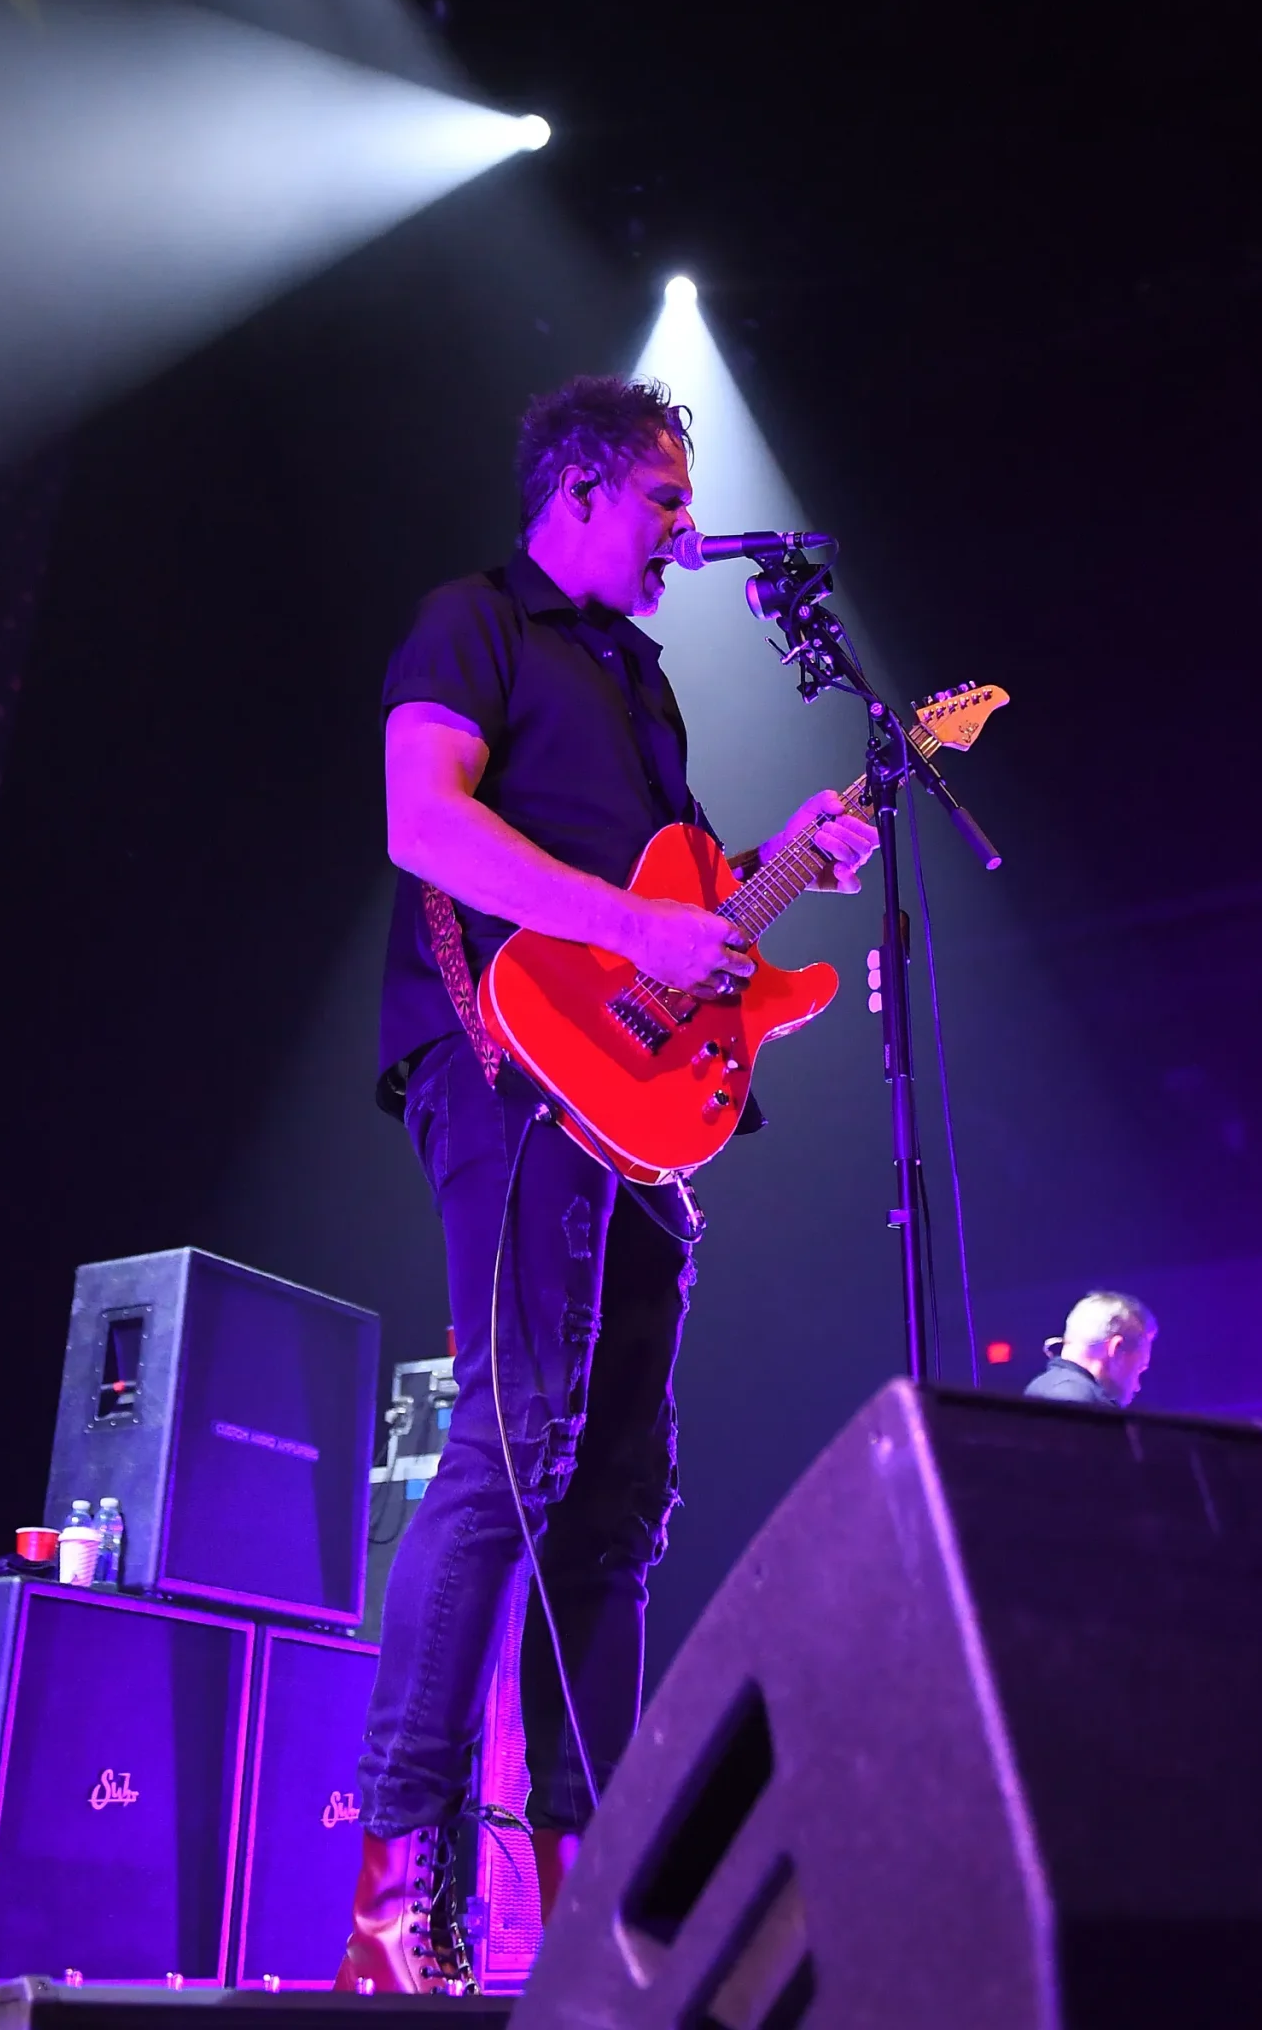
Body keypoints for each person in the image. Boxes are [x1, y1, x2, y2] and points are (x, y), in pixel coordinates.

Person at [336, 375, 877, 1993]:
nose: (684, 533)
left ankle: (588, 1898)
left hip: (635, 1111)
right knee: (509, 1452)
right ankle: (393, 1890)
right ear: (576, 487)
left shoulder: (642, 685)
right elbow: (422, 823)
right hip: (503, 1063)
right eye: (662, 500)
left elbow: (692, 911)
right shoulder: (473, 621)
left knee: (620, 1502)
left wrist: (790, 860)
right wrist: (636, 929)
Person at [1023, 1290, 1157, 1409]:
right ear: (1117, 1349)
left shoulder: (1045, 1386)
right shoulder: (1075, 1400)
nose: (1137, 1387)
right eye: (1139, 1369)